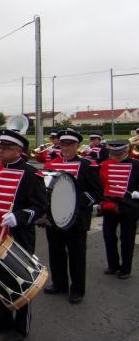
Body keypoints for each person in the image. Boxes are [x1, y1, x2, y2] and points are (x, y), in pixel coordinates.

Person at [0, 129, 48, 341]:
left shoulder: (32, 174)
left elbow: (41, 207)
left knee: (21, 280)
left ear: (18, 151)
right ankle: (2, 320)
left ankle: (20, 326)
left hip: (19, 235)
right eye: (0, 147)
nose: (1, 151)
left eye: (5, 148)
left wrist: (20, 216)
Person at [43, 129, 103, 304]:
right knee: (55, 252)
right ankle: (59, 283)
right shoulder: (52, 164)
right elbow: (44, 191)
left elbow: (97, 192)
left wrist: (75, 203)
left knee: (77, 255)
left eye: (70, 144)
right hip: (53, 218)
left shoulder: (87, 165)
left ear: (77, 145)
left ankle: (77, 289)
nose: (66, 147)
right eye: (63, 144)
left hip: (76, 219)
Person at [99, 139, 139, 279]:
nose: (114, 156)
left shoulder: (136, 165)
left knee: (127, 238)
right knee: (108, 236)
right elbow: (100, 185)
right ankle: (113, 265)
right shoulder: (105, 165)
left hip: (129, 208)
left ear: (126, 150)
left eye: (118, 153)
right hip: (110, 206)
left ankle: (126, 268)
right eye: (113, 153)